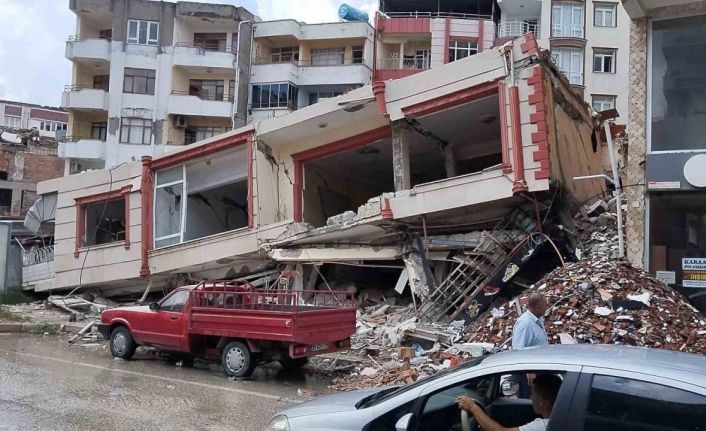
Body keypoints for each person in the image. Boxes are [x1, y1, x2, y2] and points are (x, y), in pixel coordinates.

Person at [456, 373, 563, 431]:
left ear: (542, 401)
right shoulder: (559, 421)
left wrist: (473, 408)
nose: (530, 396)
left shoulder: (545, 426)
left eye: (533, 394)